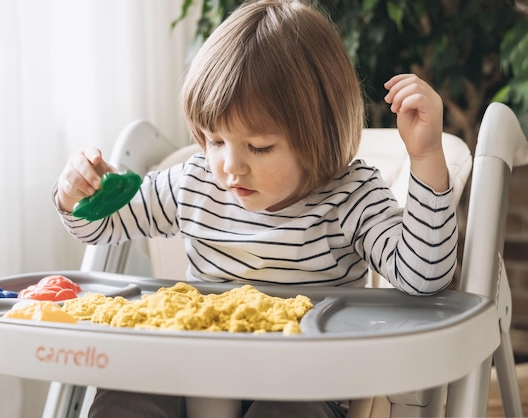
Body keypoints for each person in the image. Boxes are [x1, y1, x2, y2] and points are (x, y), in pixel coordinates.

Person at [53, 0, 456, 417]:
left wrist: (426, 158)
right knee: (125, 392)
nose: (230, 166)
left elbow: (423, 277)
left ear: (320, 132)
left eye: (259, 147)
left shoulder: (351, 196)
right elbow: (98, 226)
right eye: (214, 140)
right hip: (193, 370)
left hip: (305, 383)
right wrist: (76, 193)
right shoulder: (195, 183)